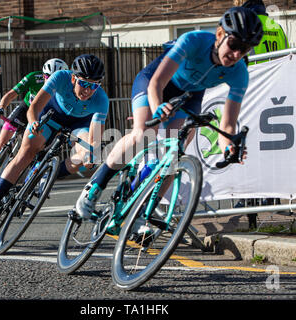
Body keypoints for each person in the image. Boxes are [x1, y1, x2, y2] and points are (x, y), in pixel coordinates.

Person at [75, 7, 263, 222]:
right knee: (144, 135)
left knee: (174, 155)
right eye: (235, 45)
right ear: (220, 34)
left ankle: (142, 211)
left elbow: (228, 125)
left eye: (245, 49)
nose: (237, 54)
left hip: (189, 96)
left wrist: (228, 146)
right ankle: (94, 187)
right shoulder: (194, 40)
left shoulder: (239, 72)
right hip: (155, 83)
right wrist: (157, 108)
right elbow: (157, 82)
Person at [0, 54, 109, 226]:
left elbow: (95, 138)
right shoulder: (60, 77)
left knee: (88, 154)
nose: (88, 91)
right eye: (84, 83)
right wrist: (33, 123)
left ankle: (48, 174)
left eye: (94, 86)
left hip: (78, 125)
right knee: (26, 153)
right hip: (49, 116)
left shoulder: (101, 99)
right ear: (73, 78)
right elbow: (34, 108)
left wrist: (92, 154)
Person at [0, 58, 69, 194]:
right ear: (43, 74)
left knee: (33, 151)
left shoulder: (64, 88)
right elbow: (11, 94)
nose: (49, 80)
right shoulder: (33, 77)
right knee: (2, 141)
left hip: (42, 116)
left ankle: (21, 184)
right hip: (25, 109)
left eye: (53, 77)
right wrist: (1, 108)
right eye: (47, 76)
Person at [235, 0, 289, 227]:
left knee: (249, 143)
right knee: (274, 144)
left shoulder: (249, 24)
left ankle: (249, 201)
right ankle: (272, 196)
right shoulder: (276, 26)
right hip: (276, 89)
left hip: (253, 87)